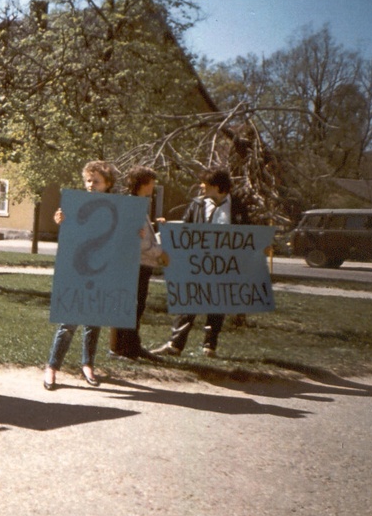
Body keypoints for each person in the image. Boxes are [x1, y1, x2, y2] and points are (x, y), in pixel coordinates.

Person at [151, 167, 251, 358]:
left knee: (218, 303)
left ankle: (209, 346)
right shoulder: (197, 205)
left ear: (217, 186)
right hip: (198, 262)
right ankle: (175, 344)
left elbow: (246, 234)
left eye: (205, 183)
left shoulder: (237, 206)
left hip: (223, 263)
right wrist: (168, 226)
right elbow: (185, 227)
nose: (201, 186)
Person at [42, 160, 119, 391]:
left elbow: (122, 238)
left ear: (107, 184)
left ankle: (88, 364)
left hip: (102, 270)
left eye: (96, 181)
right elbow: (71, 237)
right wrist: (61, 222)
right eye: (88, 180)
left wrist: (138, 231)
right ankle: (52, 366)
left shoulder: (118, 208)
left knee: (93, 321)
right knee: (69, 321)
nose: (90, 185)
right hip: (77, 269)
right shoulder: (75, 204)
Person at [109, 166, 169, 360]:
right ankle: (122, 348)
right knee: (130, 305)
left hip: (142, 264)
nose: (153, 186)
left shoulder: (140, 205)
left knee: (137, 306)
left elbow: (143, 237)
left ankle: (133, 345)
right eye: (151, 182)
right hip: (135, 264)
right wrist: (161, 252)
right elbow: (140, 243)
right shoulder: (132, 206)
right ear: (143, 184)